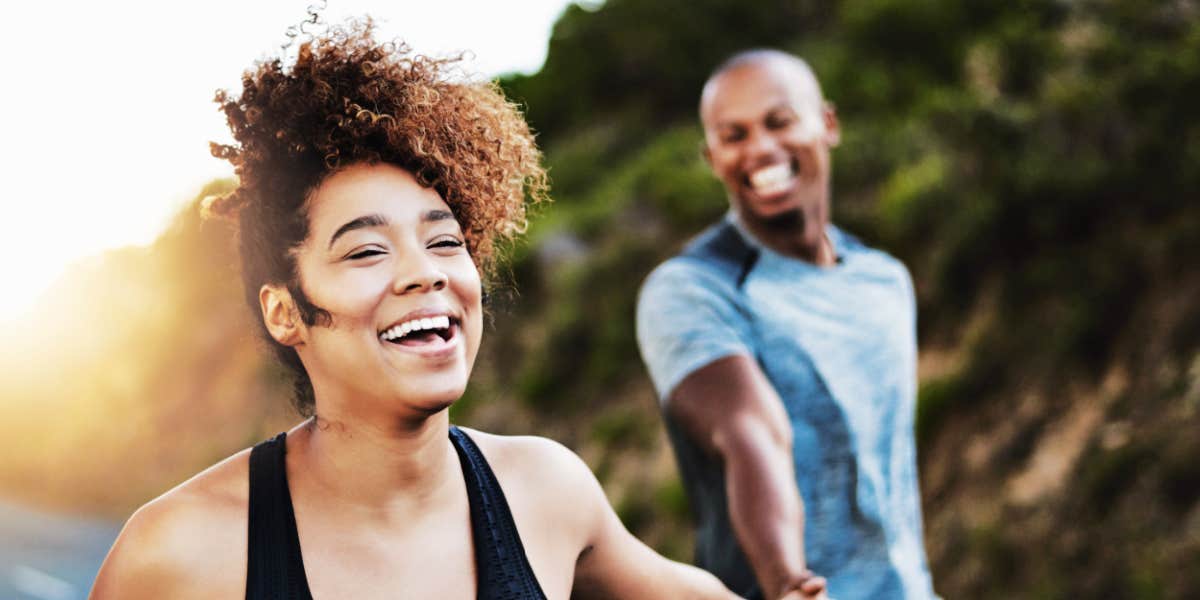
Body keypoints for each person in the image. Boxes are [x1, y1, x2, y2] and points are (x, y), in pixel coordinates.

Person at [91, 19, 738, 600]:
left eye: (445, 242)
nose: (424, 272)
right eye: (368, 250)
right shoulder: (178, 555)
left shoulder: (546, 492)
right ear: (285, 311)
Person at [635, 49, 938, 600]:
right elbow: (752, 434)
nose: (760, 149)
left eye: (779, 122)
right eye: (734, 135)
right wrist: (788, 581)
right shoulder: (689, 290)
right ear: (712, 157)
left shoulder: (885, 281)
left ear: (827, 124)